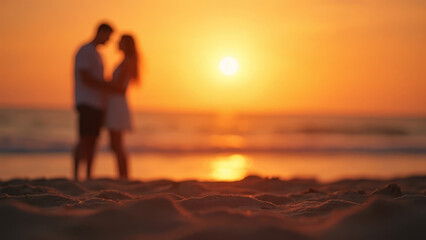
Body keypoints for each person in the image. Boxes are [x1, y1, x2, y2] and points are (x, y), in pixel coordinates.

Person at [73, 23, 117, 181]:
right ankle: (77, 175)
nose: (109, 40)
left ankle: (89, 175)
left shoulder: (97, 54)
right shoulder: (86, 50)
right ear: (101, 32)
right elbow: (85, 77)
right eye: (108, 36)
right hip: (86, 101)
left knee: (93, 140)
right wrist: (106, 85)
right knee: (85, 138)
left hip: (97, 103)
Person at [105, 35, 140, 180]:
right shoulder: (126, 61)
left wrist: (102, 84)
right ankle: (122, 175)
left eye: (120, 42)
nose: (117, 43)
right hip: (116, 102)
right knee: (115, 143)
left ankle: (123, 176)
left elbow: (119, 86)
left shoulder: (128, 62)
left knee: (117, 143)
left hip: (117, 103)